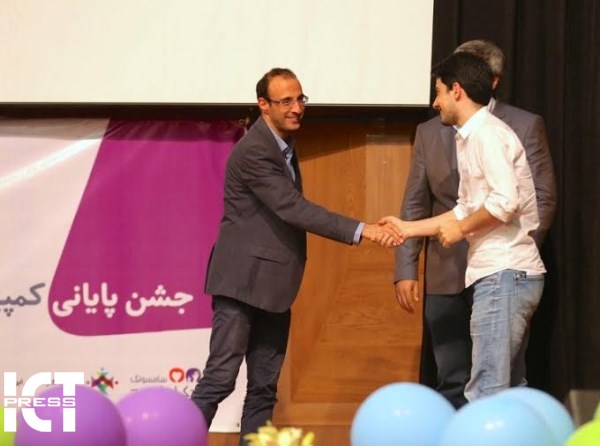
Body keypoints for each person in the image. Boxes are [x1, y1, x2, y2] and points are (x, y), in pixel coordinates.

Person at [191, 67, 400, 444]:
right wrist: (362, 229)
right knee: (220, 380)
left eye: (300, 99)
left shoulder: (282, 144)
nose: (297, 108)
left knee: (263, 389)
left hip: (273, 287)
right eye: (286, 101)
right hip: (241, 284)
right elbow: (293, 208)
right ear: (263, 105)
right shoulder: (256, 150)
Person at [393, 40, 556, 408]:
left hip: (504, 272)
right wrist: (407, 229)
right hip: (494, 273)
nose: (435, 103)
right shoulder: (471, 136)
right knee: (498, 389)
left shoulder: (487, 135)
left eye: (438, 93)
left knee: (487, 393)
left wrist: (462, 229)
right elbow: (465, 208)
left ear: (457, 90)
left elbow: (505, 201)